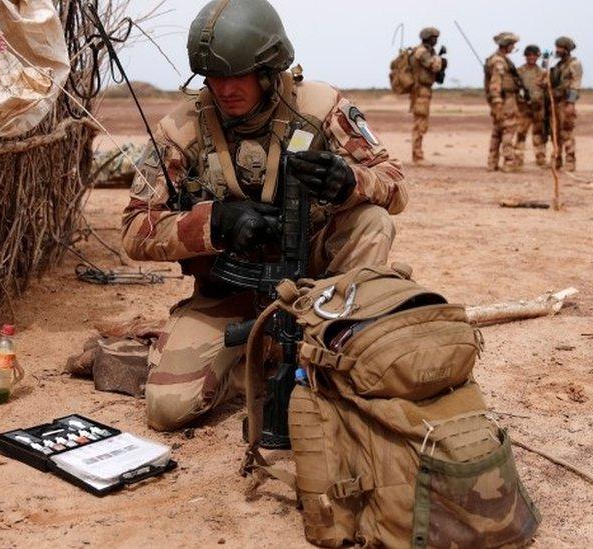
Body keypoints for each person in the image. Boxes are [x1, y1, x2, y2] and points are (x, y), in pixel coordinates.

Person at [120, 0, 408, 431]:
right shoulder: (181, 131)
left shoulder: (321, 107)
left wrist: (352, 181)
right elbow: (133, 230)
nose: (224, 89)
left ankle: (345, 335)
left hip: (319, 286)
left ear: (269, 69)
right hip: (229, 291)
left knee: (372, 221)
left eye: (237, 76)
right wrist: (215, 223)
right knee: (167, 410)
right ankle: (257, 357)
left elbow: (396, 184)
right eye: (214, 78)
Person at [484, 32, 524, 172]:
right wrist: (497, 102)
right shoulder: (499, 61)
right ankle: (509, 162)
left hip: (501, 100)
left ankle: (492, 162)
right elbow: (495, 83)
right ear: (507, 45)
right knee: (508, 129)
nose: (513, 47)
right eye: (512, 45)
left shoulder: (497, 59)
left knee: (497, 130)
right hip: (505, 100)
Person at [409, 27, 446, 166]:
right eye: (434, 38)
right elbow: (434, 66)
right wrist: (440, 60)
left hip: (423, 91)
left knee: (421, 122)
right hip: (420, 92)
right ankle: (417, 157)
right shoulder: (422, 52)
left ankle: (417, 154)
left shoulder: (425, 51)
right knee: (420, 123)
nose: (436, 40)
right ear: (428, 38)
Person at [551, 36, 583, 171]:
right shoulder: (558, 65)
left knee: (567, 133)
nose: (557, 50)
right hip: (555, 103)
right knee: (555, 133)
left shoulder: (574, 64)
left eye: (560, 48)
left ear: (566, 49)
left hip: (565, 103)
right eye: (556, 47)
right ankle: (557, 161)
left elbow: (575, 84)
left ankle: (570, 162)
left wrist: (571, 102)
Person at [515, 45, 548, 168]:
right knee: (521, 133)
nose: (531, 58)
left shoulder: (542, 72)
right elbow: (515, 89)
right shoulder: (519, 72)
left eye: (534, 55)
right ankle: (518, 160)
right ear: (525, 56)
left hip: (539, 108)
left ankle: (541, 159)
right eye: (529, 55)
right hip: (524, 108)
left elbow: (547, 90)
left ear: (538, 57)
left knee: (539, 134)